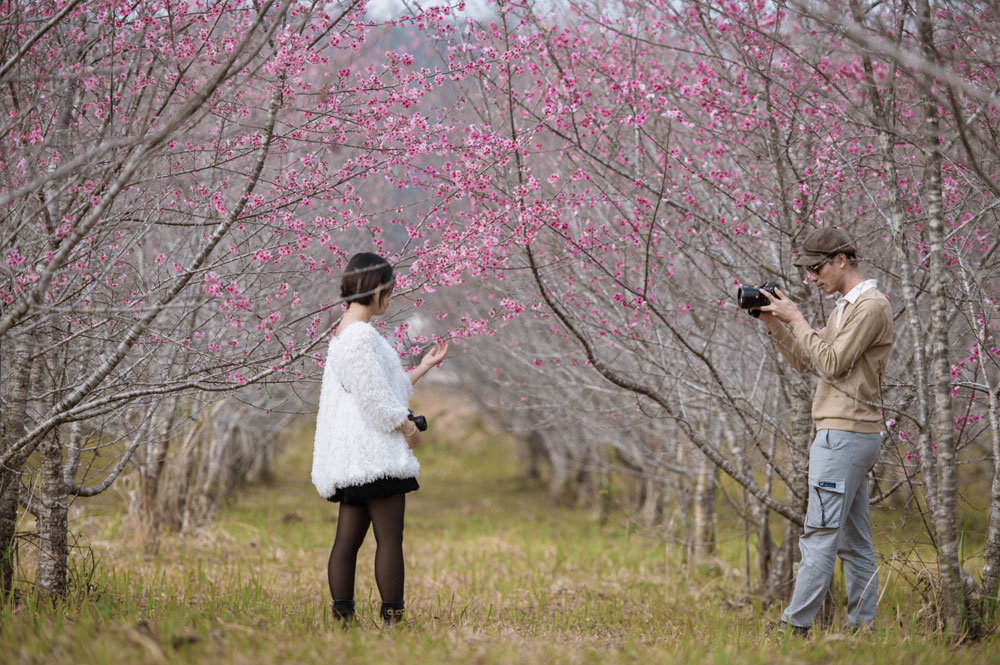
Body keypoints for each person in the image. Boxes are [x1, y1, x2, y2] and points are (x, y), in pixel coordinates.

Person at [755, 227, 893, 635]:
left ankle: (794, 627)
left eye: (816, 268)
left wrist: (797, 318)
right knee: (854, 542)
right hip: (848, 435)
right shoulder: (845, 308)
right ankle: (861, 631)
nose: (811, 277)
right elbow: (808, 361)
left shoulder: (870, 306)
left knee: (819, 534)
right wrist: (775, 324)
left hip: (843, 436)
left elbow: (831, 364)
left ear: (842, 260)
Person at [311, 252, 448, 627]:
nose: (390, 297)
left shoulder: (348, 331)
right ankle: (393, 619)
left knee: (347, 540)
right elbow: (375, 400)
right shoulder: (358, 336)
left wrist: (423, 367)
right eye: (389, 290)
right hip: (373, 456)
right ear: (375, 289)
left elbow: (383, 388)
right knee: (389, 539)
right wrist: (407, 427)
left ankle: (344, 618)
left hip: (357, 457)